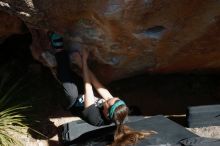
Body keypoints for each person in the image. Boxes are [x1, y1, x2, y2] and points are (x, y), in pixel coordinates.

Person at [70, 49, 155, 145]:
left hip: (74, 104)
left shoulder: (94, 117)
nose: (108, 98)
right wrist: (81, 64)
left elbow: (88, 85)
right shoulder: (114, 110)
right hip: (83, 98)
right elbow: (95, 82)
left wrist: (84, 61)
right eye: (116, 98)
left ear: (106, 113)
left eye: (108, 101)